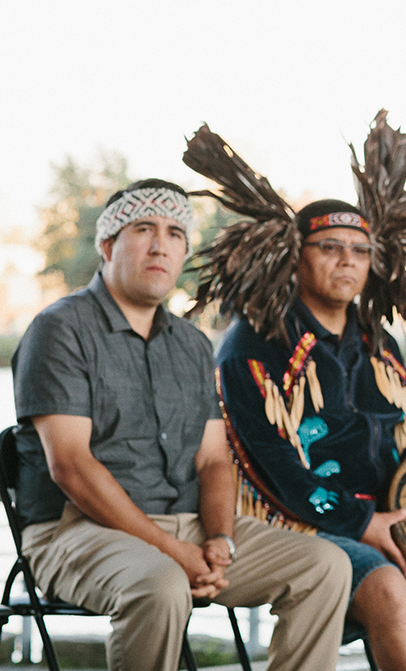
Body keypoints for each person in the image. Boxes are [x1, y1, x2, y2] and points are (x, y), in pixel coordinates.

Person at [182, 116, 406, 671]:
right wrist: (363, 523)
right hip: (299, 526)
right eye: (329, 247)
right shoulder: (254, 343)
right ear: (295, 255)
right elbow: (269, 464)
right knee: (387, 585)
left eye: (360, 250)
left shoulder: (377, 340)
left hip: (395, 514)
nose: (347, 260)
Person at [11, 179, 352, 671]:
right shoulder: (60, 329)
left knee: (324, 565)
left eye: (175, 234)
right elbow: (71, 466)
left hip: (187, 526)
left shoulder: (191, 344)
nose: (160, 246)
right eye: (143, 229)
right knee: (162, 583)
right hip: (75, 530)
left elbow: (213, 459)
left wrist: (220, 540)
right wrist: (173, 551)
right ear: (107, 246)